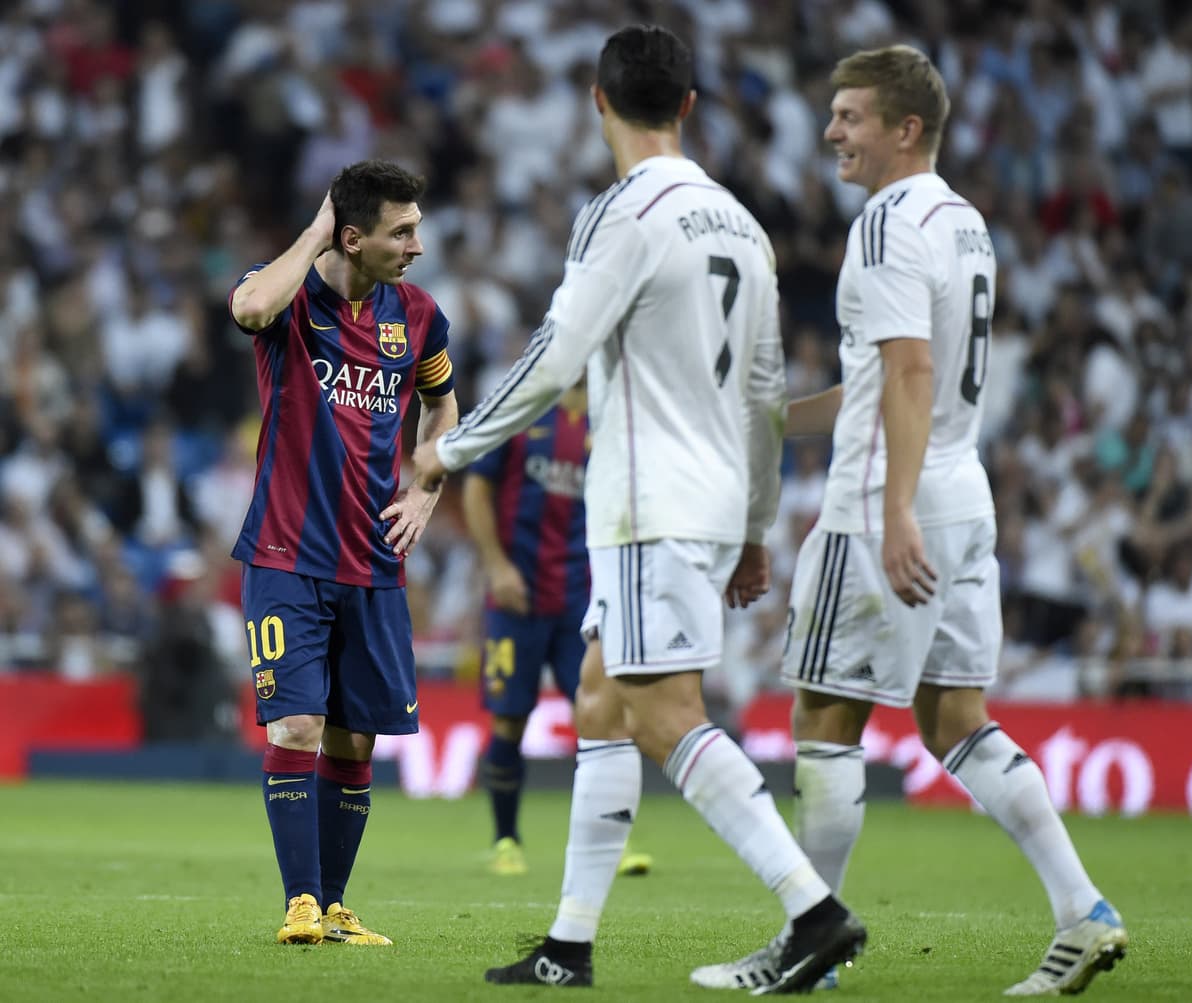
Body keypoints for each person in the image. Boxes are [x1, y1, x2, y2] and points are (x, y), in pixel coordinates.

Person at [415, 24, 864, 994]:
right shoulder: (740, 224)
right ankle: (568, 947)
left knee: (663, 715)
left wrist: (447, 449)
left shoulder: (619, 213)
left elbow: (552, 358)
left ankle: (812, 911)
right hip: (709, 503)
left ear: (596, 102)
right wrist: (752, 523)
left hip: (645, 503)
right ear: (690, 108)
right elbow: (763, 390)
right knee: (598, 701)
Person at [689, 46, 1128, 997]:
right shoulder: (965, 224)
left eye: (850, 116)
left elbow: (913, 374)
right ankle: (1083, 909)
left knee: (824, 717)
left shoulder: (887, 223)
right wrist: (775, 417)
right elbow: (889, 373)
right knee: (955, 718)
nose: (832, 131)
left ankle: (812, 942)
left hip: (890, 498)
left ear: (906, 129)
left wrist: (889, 512)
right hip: (962, 491)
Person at [228, 159, 459, 946]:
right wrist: (317, 230)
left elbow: (443, 405)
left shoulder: (420, 315)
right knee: (295, 725)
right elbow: (251, 304)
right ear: (353, 237)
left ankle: (330, 906)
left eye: (417, 228)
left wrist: (428, 483)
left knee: (353, 739)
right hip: (286, 551)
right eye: (403, 231)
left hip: (373, 560)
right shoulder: (289, 299)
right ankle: (298, 903)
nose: (417, 245)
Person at [465, 376, 653, 878]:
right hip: (516, 597)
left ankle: (612, 839)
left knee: (603, 716)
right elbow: (477, 489)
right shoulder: (521, 408)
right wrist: (497, 566)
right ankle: (506, 840)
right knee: (509, 720)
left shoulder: (612, 418)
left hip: (581, 599)